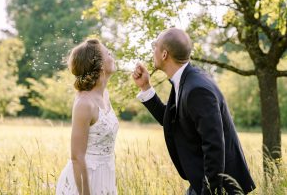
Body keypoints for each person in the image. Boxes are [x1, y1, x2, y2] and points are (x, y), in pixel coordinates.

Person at [132, 28, 256, 195]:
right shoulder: (185, 80)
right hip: (201, 181)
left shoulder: (197, 89)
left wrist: (208, 191)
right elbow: (171, 121)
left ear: (164, 54)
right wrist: (146, 88)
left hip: (220, 187)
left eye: (155, 45)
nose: (152, 49)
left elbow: (214, 147)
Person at [56, 39, 118, 195]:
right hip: (86, 181)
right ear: (100, 64)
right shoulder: (84, 103)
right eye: (108, 54)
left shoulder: (105, 95)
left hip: (106, 175)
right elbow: (77, 157)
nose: (112, 56)